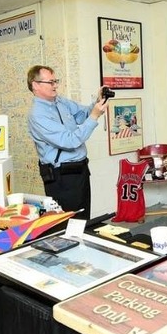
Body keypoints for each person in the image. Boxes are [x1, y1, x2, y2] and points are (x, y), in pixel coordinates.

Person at [26, 65, 108, 220]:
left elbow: (82, 114)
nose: (55, 85)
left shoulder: (60, 101)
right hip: (62, 177)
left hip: (80, 170)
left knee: (83, 218)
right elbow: (70, 141)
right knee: (68, 222)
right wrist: (95, 116)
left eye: (55, 81)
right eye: (50, 82)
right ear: (35, 85)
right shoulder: (37, 115)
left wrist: (98, 101)